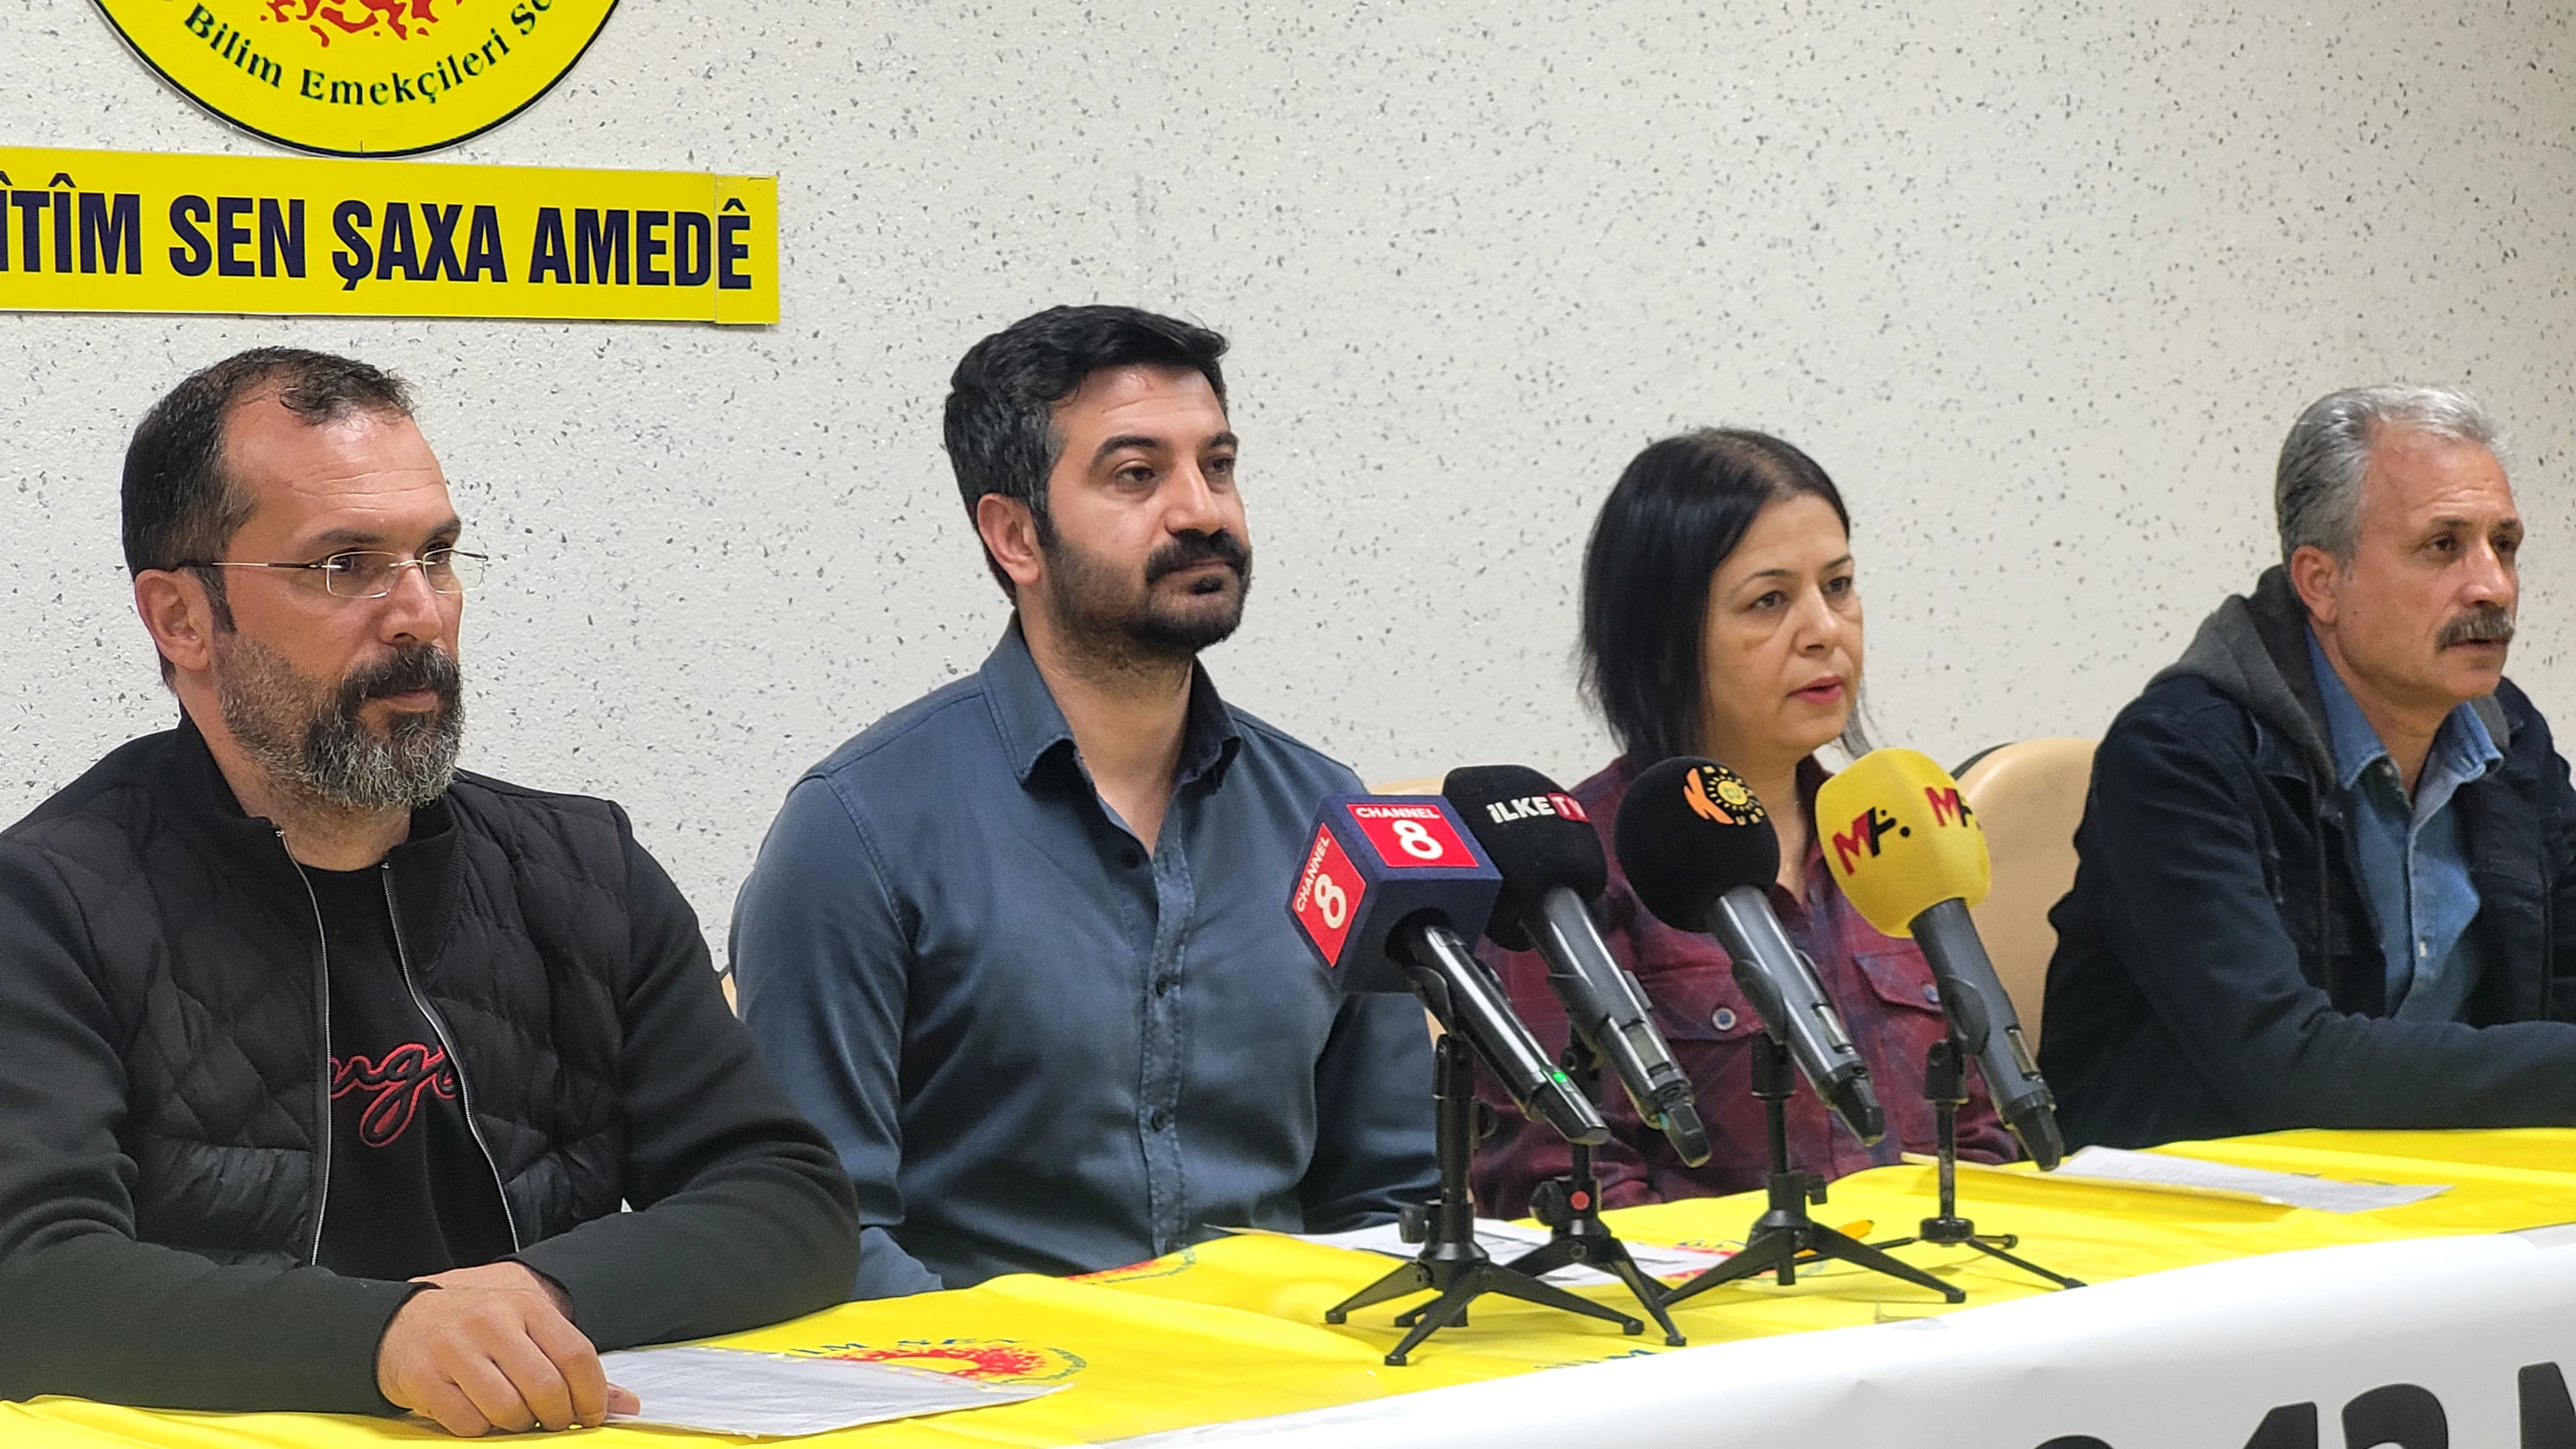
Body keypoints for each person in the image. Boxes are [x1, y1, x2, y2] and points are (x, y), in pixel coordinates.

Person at [0, 349, 861, 1436]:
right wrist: (386, 1338)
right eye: (344, 565)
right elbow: (32, 1276)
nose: (417, 612)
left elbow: (788, 1195)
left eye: (437, 556)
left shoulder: (584, 871)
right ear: (181, 618)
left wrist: (537, 1297)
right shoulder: (47, 906)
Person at [732, 305, 1436, 1298]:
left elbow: (1390, 1197)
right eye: (1138, 475)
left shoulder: (1326, 816)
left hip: (1283, 1372)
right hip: (987, 1381)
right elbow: (824, 1228)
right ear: (1015, 535)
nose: (1201, 511)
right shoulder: (859, 831)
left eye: (1218, 466)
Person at [1473, 429, 2013, 1216]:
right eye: (1770, 601)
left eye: (1839, 586)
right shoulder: (1573, 872)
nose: (1825, 630)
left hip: (1934, 1276)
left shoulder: (1898, 838)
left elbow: (1982, 1131)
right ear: (1664, 636)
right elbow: (1564, 1177)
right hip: (1709, 1289)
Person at [2042, 384, 2576, 1148]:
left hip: (2446, 1183)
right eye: (2443, 546)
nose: (2492, 585)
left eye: (2506, 545)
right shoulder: (2179, 757)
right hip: (2202, 1196)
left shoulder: (2509, 737)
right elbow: (2280, 1065)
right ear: (2321, 582)